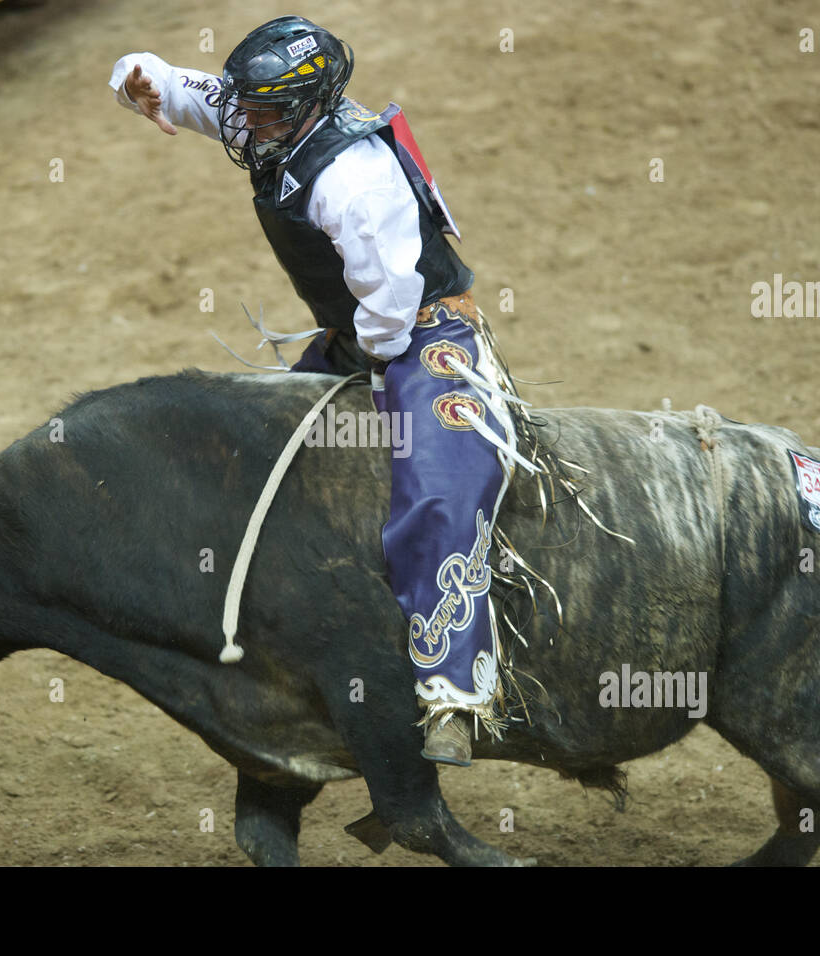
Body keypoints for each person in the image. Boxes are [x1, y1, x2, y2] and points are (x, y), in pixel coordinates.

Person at [109, 16, 547, 765]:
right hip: (362, 331)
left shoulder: (355, 177)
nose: (242, 123)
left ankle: (452, 694)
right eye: (242, 107)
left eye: (262, 112)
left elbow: (390, 307)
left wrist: (368, 373)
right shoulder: (270, 111)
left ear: (309, 105)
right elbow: (181, 88)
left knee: (441, 487)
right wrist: (135, 78)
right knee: (255, 451)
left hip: (421, 335)